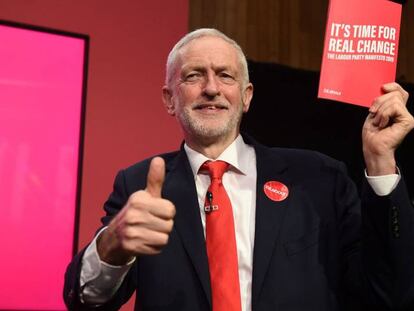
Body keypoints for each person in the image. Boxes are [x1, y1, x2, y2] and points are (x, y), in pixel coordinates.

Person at [64, 28, 414, 311]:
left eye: (225, 75)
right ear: (170, 99)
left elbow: (386, 293)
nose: (211, 88)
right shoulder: (139, 185)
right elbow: (84, 300)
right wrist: (112, 245)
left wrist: (381, 161)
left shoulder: (319, 179)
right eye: (194, 75)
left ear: (246, 96)